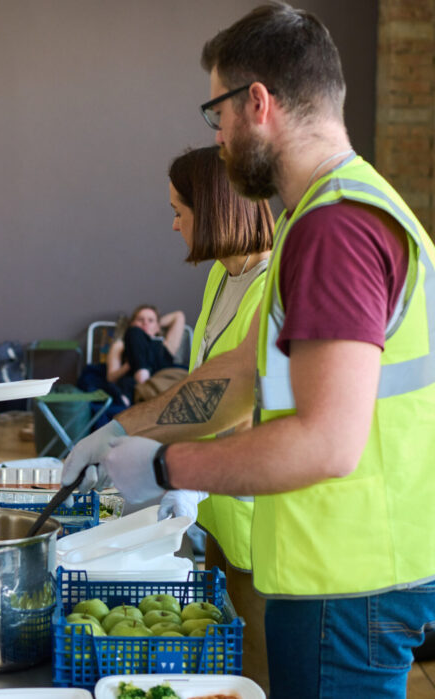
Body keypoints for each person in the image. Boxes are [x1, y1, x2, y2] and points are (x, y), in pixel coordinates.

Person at [67, 4, 435, 696]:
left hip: (351, 583)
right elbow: (239, 374)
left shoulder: (337, 228)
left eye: (218, 115)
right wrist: (122, 429)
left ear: (256, 103)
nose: (221, 139)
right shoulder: (319, 214)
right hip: (342, 576)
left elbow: (328, 441)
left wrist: (168, 466)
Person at [159, 144, 273, 691]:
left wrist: (183, 472)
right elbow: (202, 385)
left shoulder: (272, 287)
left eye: (180, 209)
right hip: (218, 521)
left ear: (214, 212)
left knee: (255, 676)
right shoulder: (221, 278)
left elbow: (248, 412)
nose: (174, 222)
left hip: (261, 530)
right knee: (219, 675)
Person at [106, 304, 186, 403]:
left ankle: (142, 378)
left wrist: (155, 324)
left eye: (150, 320)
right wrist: (130, 364)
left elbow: (178, 316)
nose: (145, 323)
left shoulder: (165, 345)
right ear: (132, 323)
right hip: (133, 384)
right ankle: (141, 375)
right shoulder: (120, 345)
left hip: (160, 383)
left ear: (158, 327)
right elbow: (111, 378)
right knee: (135, 333)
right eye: (140, 319)